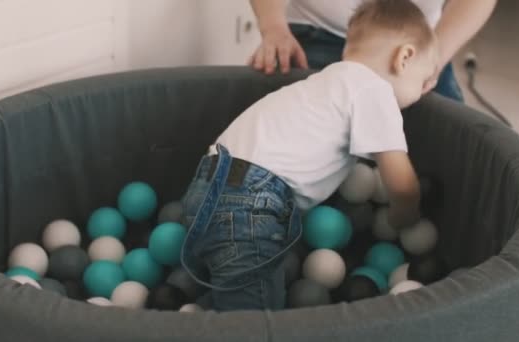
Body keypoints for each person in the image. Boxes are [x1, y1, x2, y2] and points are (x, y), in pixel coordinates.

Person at [180, 0, 433, 311]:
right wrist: (403, 217)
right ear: (404, 57)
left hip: (207, 183)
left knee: (229, 292)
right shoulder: (374, 90)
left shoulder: (322, 82)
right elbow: (402, 185)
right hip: (252, 203)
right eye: (425, 80)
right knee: (256, 322)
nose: (423, 92)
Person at [248, 0, 497, 102]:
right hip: (314, 31)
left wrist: (434, 58)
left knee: (450, 146)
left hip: (418, 42)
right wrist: (273, 27)